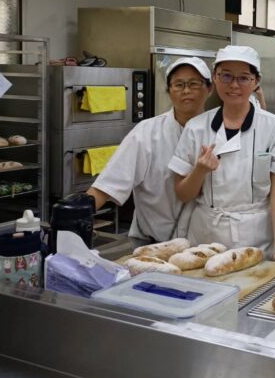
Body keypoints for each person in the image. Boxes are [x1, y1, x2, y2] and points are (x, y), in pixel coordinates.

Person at [170, 46, 275, 266]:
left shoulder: (274, 127)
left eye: (243, 78)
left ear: (256, 82)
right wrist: (200, 171)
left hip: (256, 237)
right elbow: (183, 194)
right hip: (206, 237)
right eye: (226, 76)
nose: (234, 85)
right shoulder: (196, 127)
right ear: (215, 78)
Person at [87, 57, 212, 241]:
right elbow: (108, 185)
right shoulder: (147, 132)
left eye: (194, 84)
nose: (186, 90)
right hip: (150, 243)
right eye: (178, 85)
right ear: (169, 90)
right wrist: (78, 214)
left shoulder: (219, 133)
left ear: (209, 89)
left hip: (202, 247)